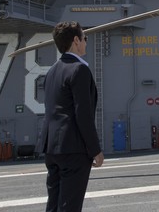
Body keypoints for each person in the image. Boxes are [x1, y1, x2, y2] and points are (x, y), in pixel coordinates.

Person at [37, 21, 105, 211]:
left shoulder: (51, 72)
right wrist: (95, 149)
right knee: (70, 207)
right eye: (85, 38)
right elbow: (82, 114)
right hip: (73, 149)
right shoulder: (79, 69)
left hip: (52, 148)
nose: (85, 42)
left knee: (54, 205)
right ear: (76, 40)